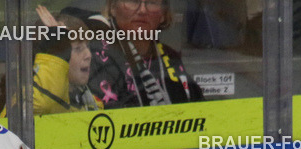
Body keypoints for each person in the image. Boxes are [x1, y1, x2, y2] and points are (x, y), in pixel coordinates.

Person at [68, 0, 204, 108]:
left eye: (151, 2)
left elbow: (198, 111)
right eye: (133, 1)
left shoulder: (171, 57)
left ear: (163, 14)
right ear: (113, 8)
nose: (143, 10)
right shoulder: (95, 56)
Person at [31, 8, 100, 113]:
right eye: (78, 49)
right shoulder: (25, 100)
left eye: (88, 46)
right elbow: (43, 104)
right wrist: (56, 42)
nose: (88, 55)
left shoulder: (90, 102)